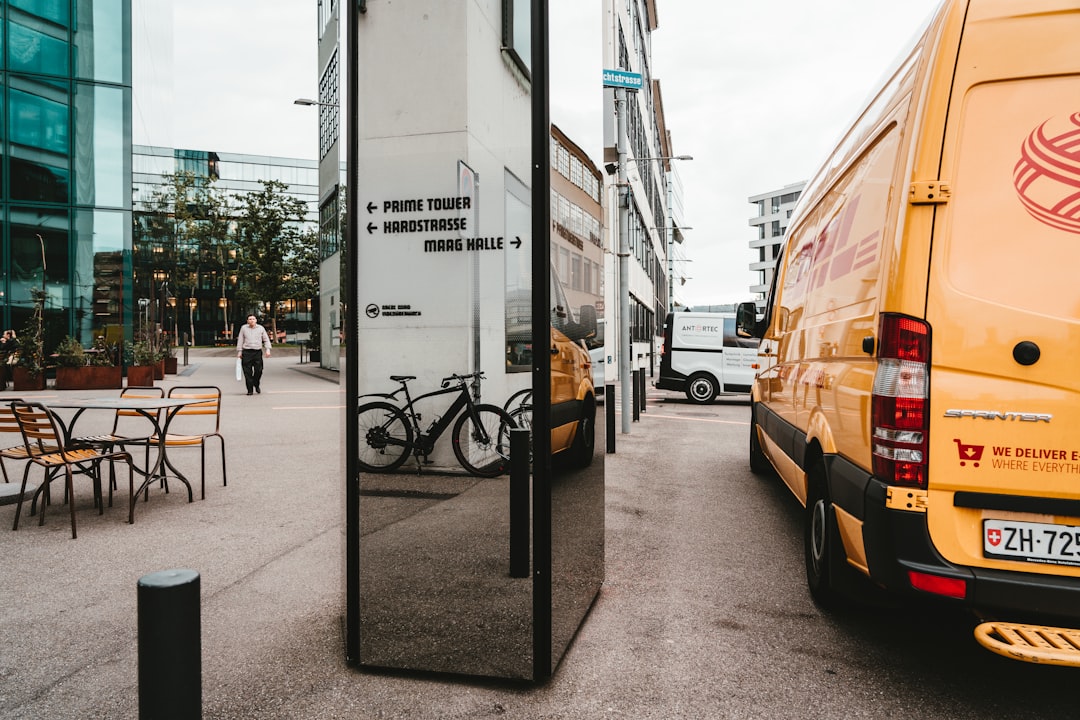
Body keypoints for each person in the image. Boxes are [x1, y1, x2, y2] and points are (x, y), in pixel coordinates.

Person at [236, 315, 271, 395]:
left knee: (259, 370)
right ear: (247, 321)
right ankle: (250, 390)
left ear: (256, 320)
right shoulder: (244, 328)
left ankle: (256, 383)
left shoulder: (260, 328)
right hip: (247, 352)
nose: (251, 320)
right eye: (250, 319)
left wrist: (267, 350)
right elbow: (240, 339)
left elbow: (266, 339)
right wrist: (239, 351)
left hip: (257, 352)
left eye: (253, 319)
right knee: (247, 372)